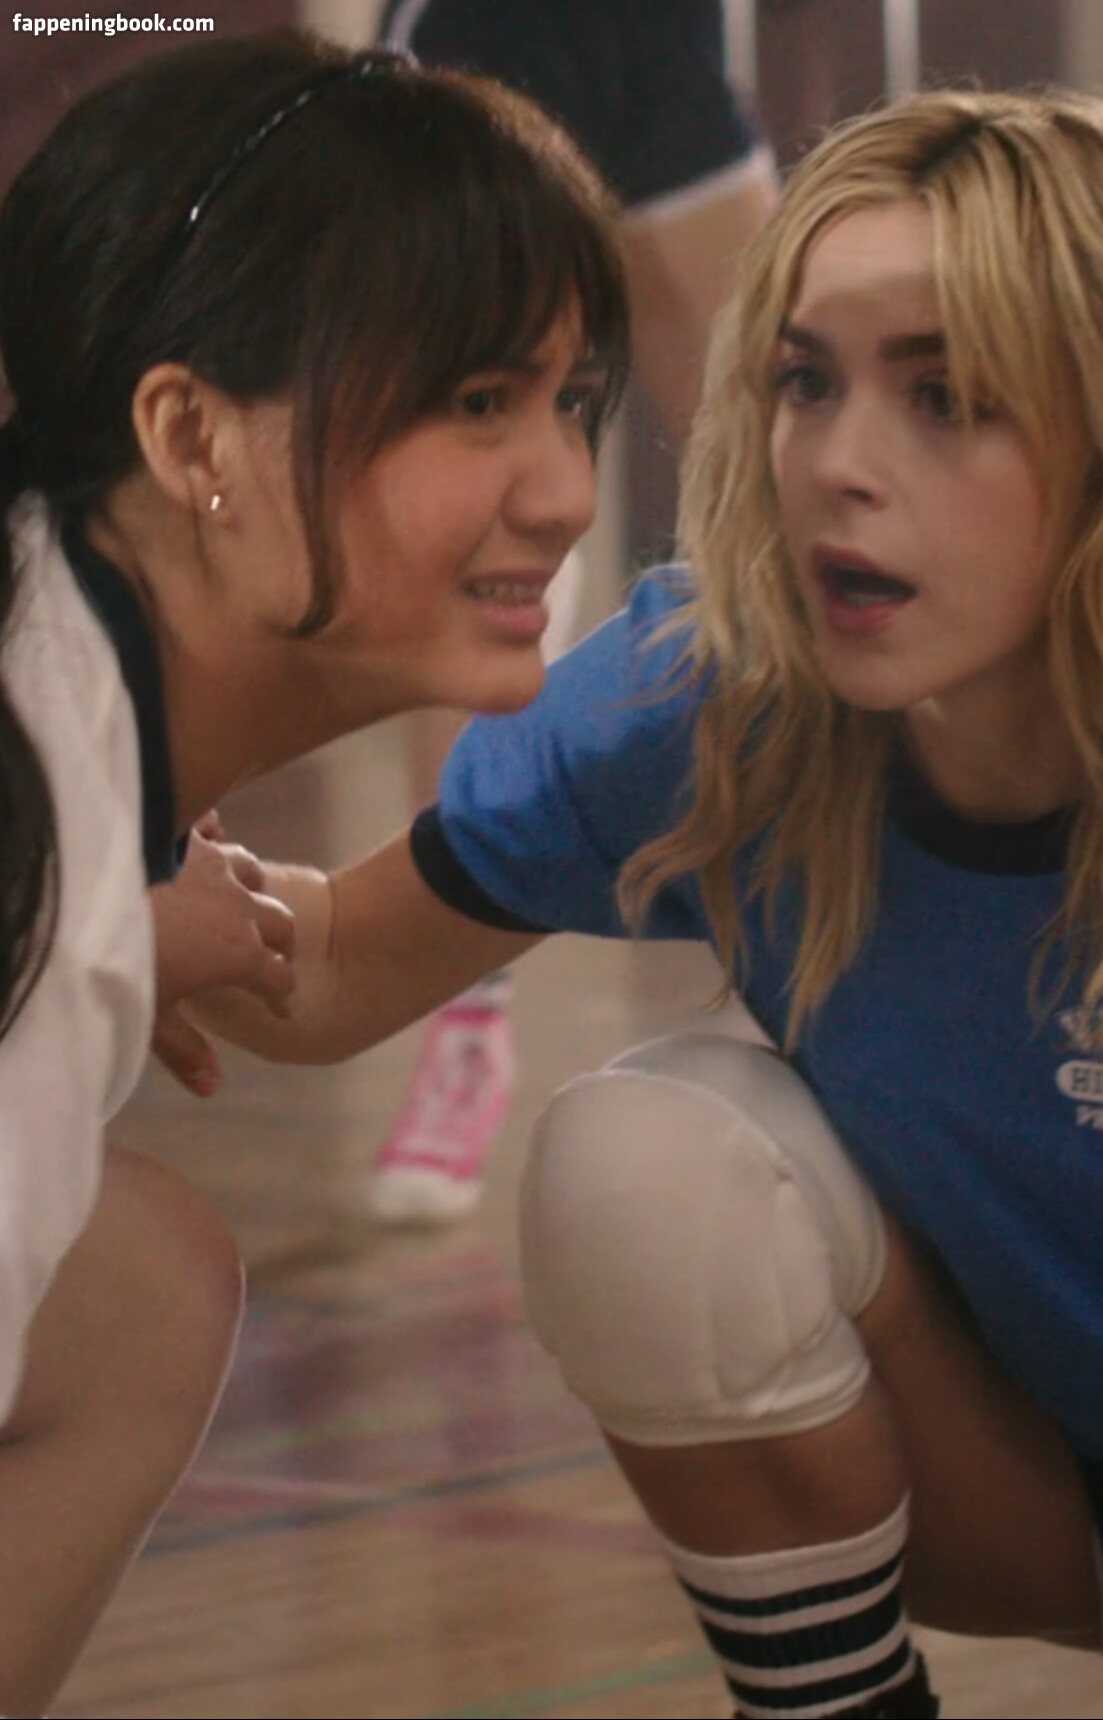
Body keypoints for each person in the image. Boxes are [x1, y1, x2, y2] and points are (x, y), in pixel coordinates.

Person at [167, 87, 1103, 1718]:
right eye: (807, 382)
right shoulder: (706, 699)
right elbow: (328, 971)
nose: (837, 467)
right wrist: (109, 845)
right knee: (645, 1164)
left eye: (945, 397)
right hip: (986, 1472)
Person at [0, 26, 627, 1712]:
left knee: (135, 1295)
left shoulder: (67, 729)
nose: (567, 491)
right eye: (475, 403)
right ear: (193, 438)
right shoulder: (43, 850)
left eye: (571, 404)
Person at [365, 0, 779, 1227]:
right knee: (474, 519)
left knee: (784, 470)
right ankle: (463, 1024)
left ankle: (841, 963)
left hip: (656, 43)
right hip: (489, 39)